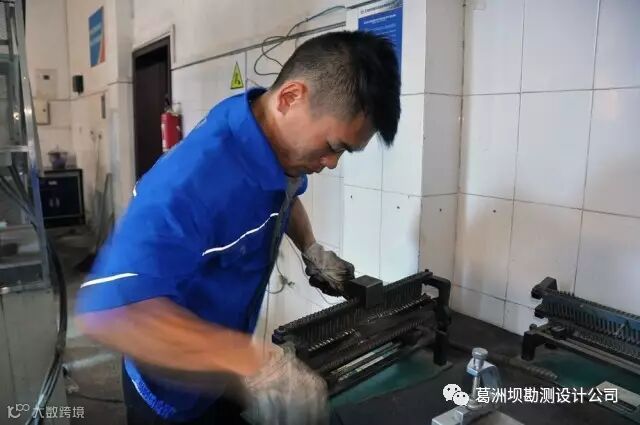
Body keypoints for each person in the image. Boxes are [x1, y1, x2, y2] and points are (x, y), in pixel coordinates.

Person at [75, 30, 401, 425]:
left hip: (224, 368)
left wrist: (310, 248)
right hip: (171, 391)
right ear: (290, 97)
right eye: (333, 146)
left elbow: (286, 195)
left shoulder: (271, 140)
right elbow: (111, 313)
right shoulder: (188, 182)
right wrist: (256, 362)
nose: (332, 163)